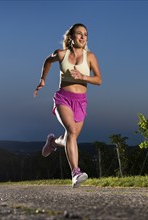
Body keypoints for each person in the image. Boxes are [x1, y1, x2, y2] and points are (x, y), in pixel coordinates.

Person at [34, 23, 102, 188]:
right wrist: (43, 79)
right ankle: (75, 173)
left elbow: (99, 79)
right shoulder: (61, 54)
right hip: (63, 98)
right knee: (71, 131)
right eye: (79, 34)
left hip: (81, 102)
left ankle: (52, 142)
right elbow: (47, 61)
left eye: (85, 34)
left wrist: (82, 77)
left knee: (70, 138)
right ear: (71, 37)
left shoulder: (90, 56)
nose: (83, 37)